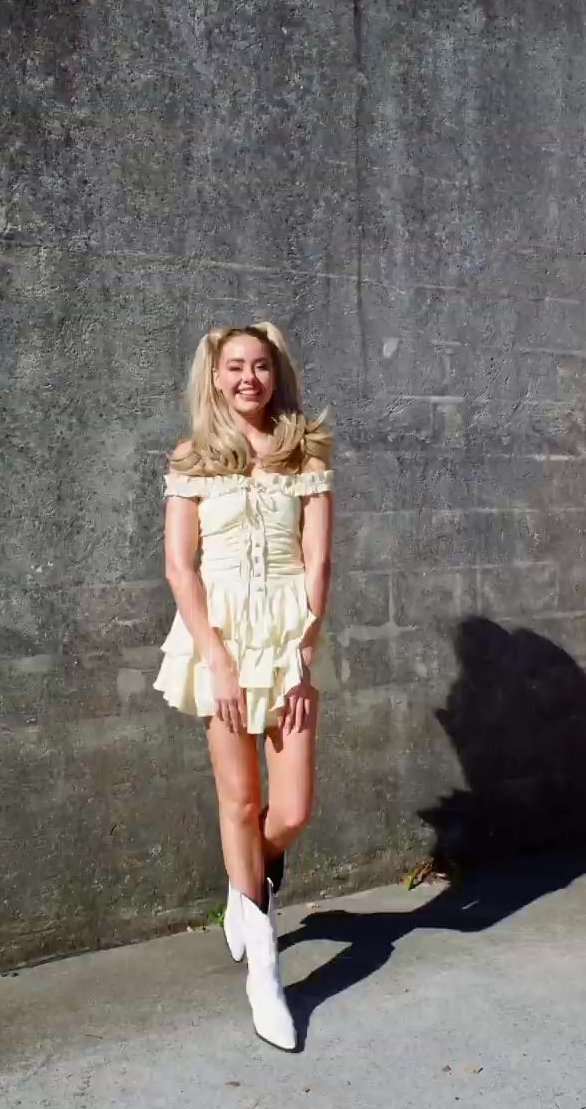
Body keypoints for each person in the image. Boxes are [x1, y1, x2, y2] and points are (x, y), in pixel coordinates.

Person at [154, 321, 335, 1052]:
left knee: (290, 810)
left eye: (260, 366)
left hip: (288, 638)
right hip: (221, 640)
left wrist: (303, 652)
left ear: (275, 373)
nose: (248, 379)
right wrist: (216, 659)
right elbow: (180, 567)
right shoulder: (193, 456)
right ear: (216, 376)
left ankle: (245, 884)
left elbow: (318, 562)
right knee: (240, 800)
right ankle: (265, 971)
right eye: (234, 367)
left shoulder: (305, 453)